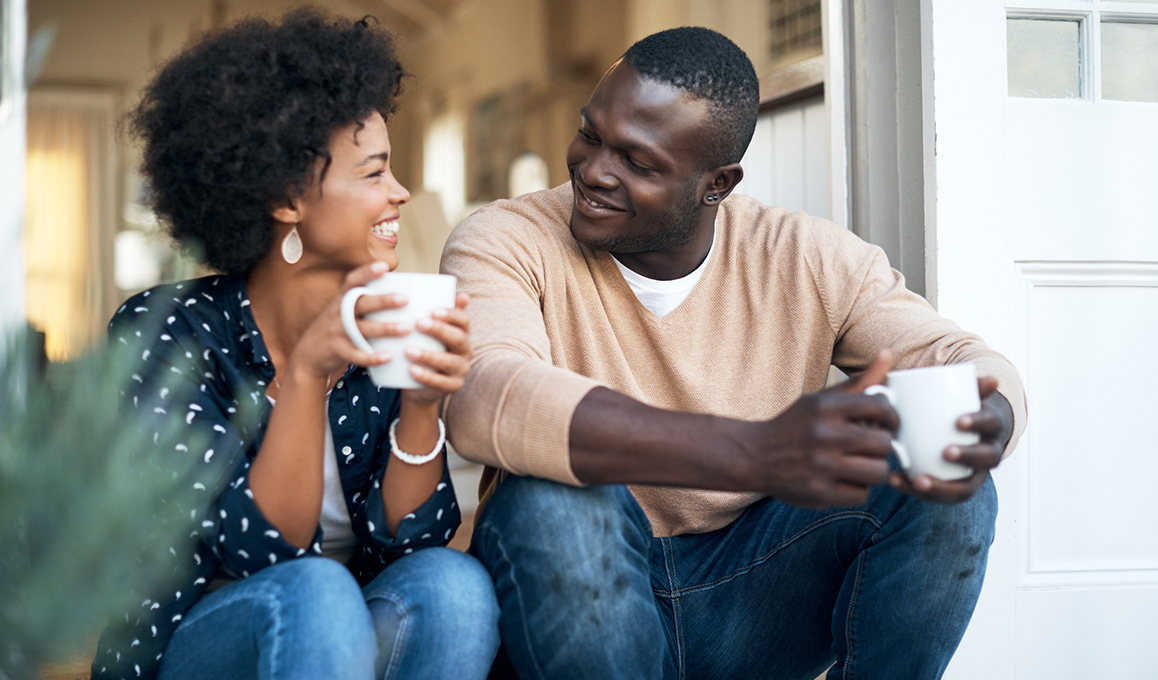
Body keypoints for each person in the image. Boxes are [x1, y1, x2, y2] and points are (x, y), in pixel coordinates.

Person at [440, 27, 1026, 680]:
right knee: (551, 497)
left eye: (637, 161)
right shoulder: (504, 238)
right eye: (591, 134)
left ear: (716, 183)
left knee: (947, 480)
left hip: (753, 596)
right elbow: (485, 395)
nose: (594, 169)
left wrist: (986, 420)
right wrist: (757, 450)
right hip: (579, 586)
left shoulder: (804, 254)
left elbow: (965, 359)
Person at [95, 11, 498, 680]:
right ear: (287, 199)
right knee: (316, 590)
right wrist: (308, 375)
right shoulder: (168, 333)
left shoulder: (383, 327)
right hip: (201, 644)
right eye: (374, 173)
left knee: (452, 586)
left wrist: (423, 404)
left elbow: (411, 545)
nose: (399, 192)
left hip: (337, 641)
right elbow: (259, 554)